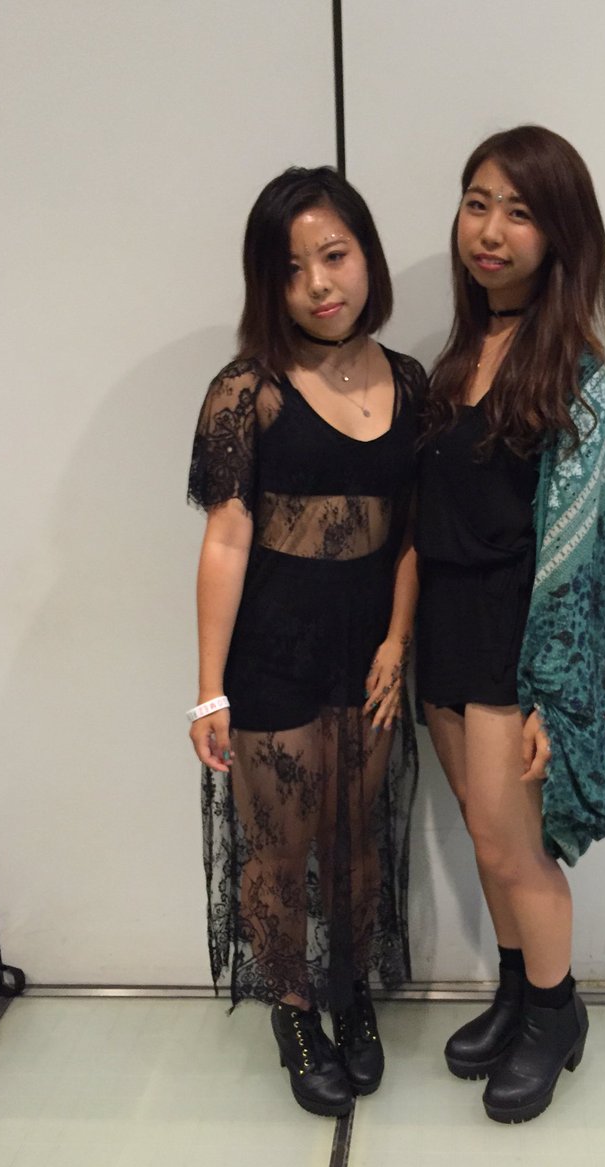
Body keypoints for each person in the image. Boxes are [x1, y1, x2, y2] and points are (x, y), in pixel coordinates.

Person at [417, 126, 605, 1124]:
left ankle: (556, 1016)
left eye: (518, 212)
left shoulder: (572, 368)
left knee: (519, 850)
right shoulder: (458, 355)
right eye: (478, 204)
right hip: (447, 628)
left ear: (559, 235)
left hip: (518, 641)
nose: (491, 230)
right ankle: (516, 992)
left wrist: (554, 688)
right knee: (483, 834)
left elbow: (581, 551)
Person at [187, 167, 424, 1119]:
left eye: (334, 255)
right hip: (273, 651)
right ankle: (292, 1010)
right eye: (292, 269)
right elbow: (226, 540)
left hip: (367, 652)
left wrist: (398, 642)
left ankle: (349, 990)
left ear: (366, 255)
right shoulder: (246, 391)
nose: (319, 284)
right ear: (268, 283)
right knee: (279, 850)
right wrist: (210, 689)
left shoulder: (410, 382)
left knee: (356, 841)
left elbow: (412, 534)